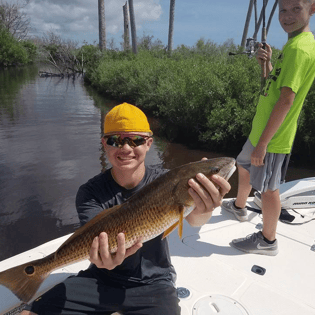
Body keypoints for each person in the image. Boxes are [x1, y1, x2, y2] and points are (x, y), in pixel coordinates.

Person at [22, 102, 231, 315]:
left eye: (136, 140)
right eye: (115, 140)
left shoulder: (165, 180)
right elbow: (92, 240)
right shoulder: (90, 192)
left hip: (154, 283)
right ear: (104, 144)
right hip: (101, 278)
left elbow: (194, 221)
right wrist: (104, 260)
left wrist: (204, 207)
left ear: (149, 143)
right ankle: (34, 274)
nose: (126, 148)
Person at [222, 0, 315, 256]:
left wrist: (263, 144)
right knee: (242, 164)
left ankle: (267, 240)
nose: (287, 16)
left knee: (269, 189)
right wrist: (266, 64)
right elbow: (273, 86)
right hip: (260, 130)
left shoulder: (301, 49)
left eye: (296, 8)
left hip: (272, 138)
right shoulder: (292, 44)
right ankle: (240, 207)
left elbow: (287, 100)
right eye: (283, 10)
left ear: (312, 9)